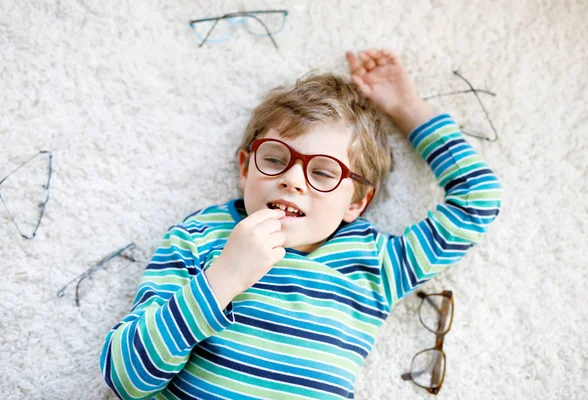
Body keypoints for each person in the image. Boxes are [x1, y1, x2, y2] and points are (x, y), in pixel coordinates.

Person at [100, 48, 503, 400]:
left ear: (358, 202)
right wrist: (222, 279)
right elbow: (125, 380)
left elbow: (477, 201)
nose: (292, 179)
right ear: (245, 168)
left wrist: (408, 108)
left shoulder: (376, 264)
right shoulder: (201, 238)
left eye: (324, 173)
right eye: (275, 159)